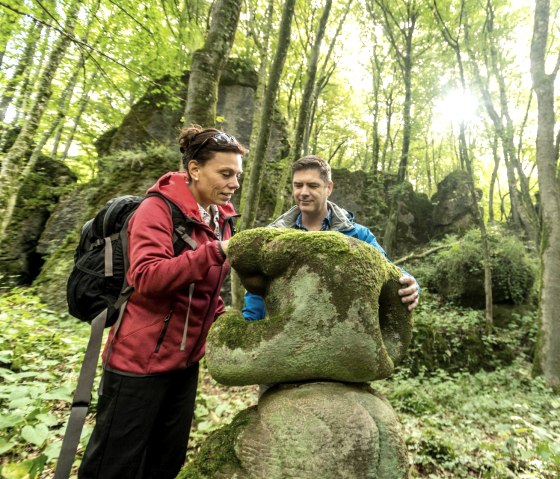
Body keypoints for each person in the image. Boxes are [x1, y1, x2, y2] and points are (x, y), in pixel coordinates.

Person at [78, 125, 247, 479]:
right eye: (226, 173)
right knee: (114, 465)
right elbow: (147, 276)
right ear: (195, 169)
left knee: (164, 463)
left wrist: (228, 322)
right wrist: (216, 251)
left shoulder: (222, 218)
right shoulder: (157, 209)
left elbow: (207, 289)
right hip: (138, 362)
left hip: (184, 364)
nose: (234, 184)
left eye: (238, 176)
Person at [242, 155, 419, 321]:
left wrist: (411, 284)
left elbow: (388, 269)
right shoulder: (273, 236)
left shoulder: (358, 235)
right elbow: (256, 291)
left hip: (341, 340)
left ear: (329, 188)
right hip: (286, 340)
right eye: (298, 185)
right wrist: (249, 326)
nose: (303, 192)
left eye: (312, 185)